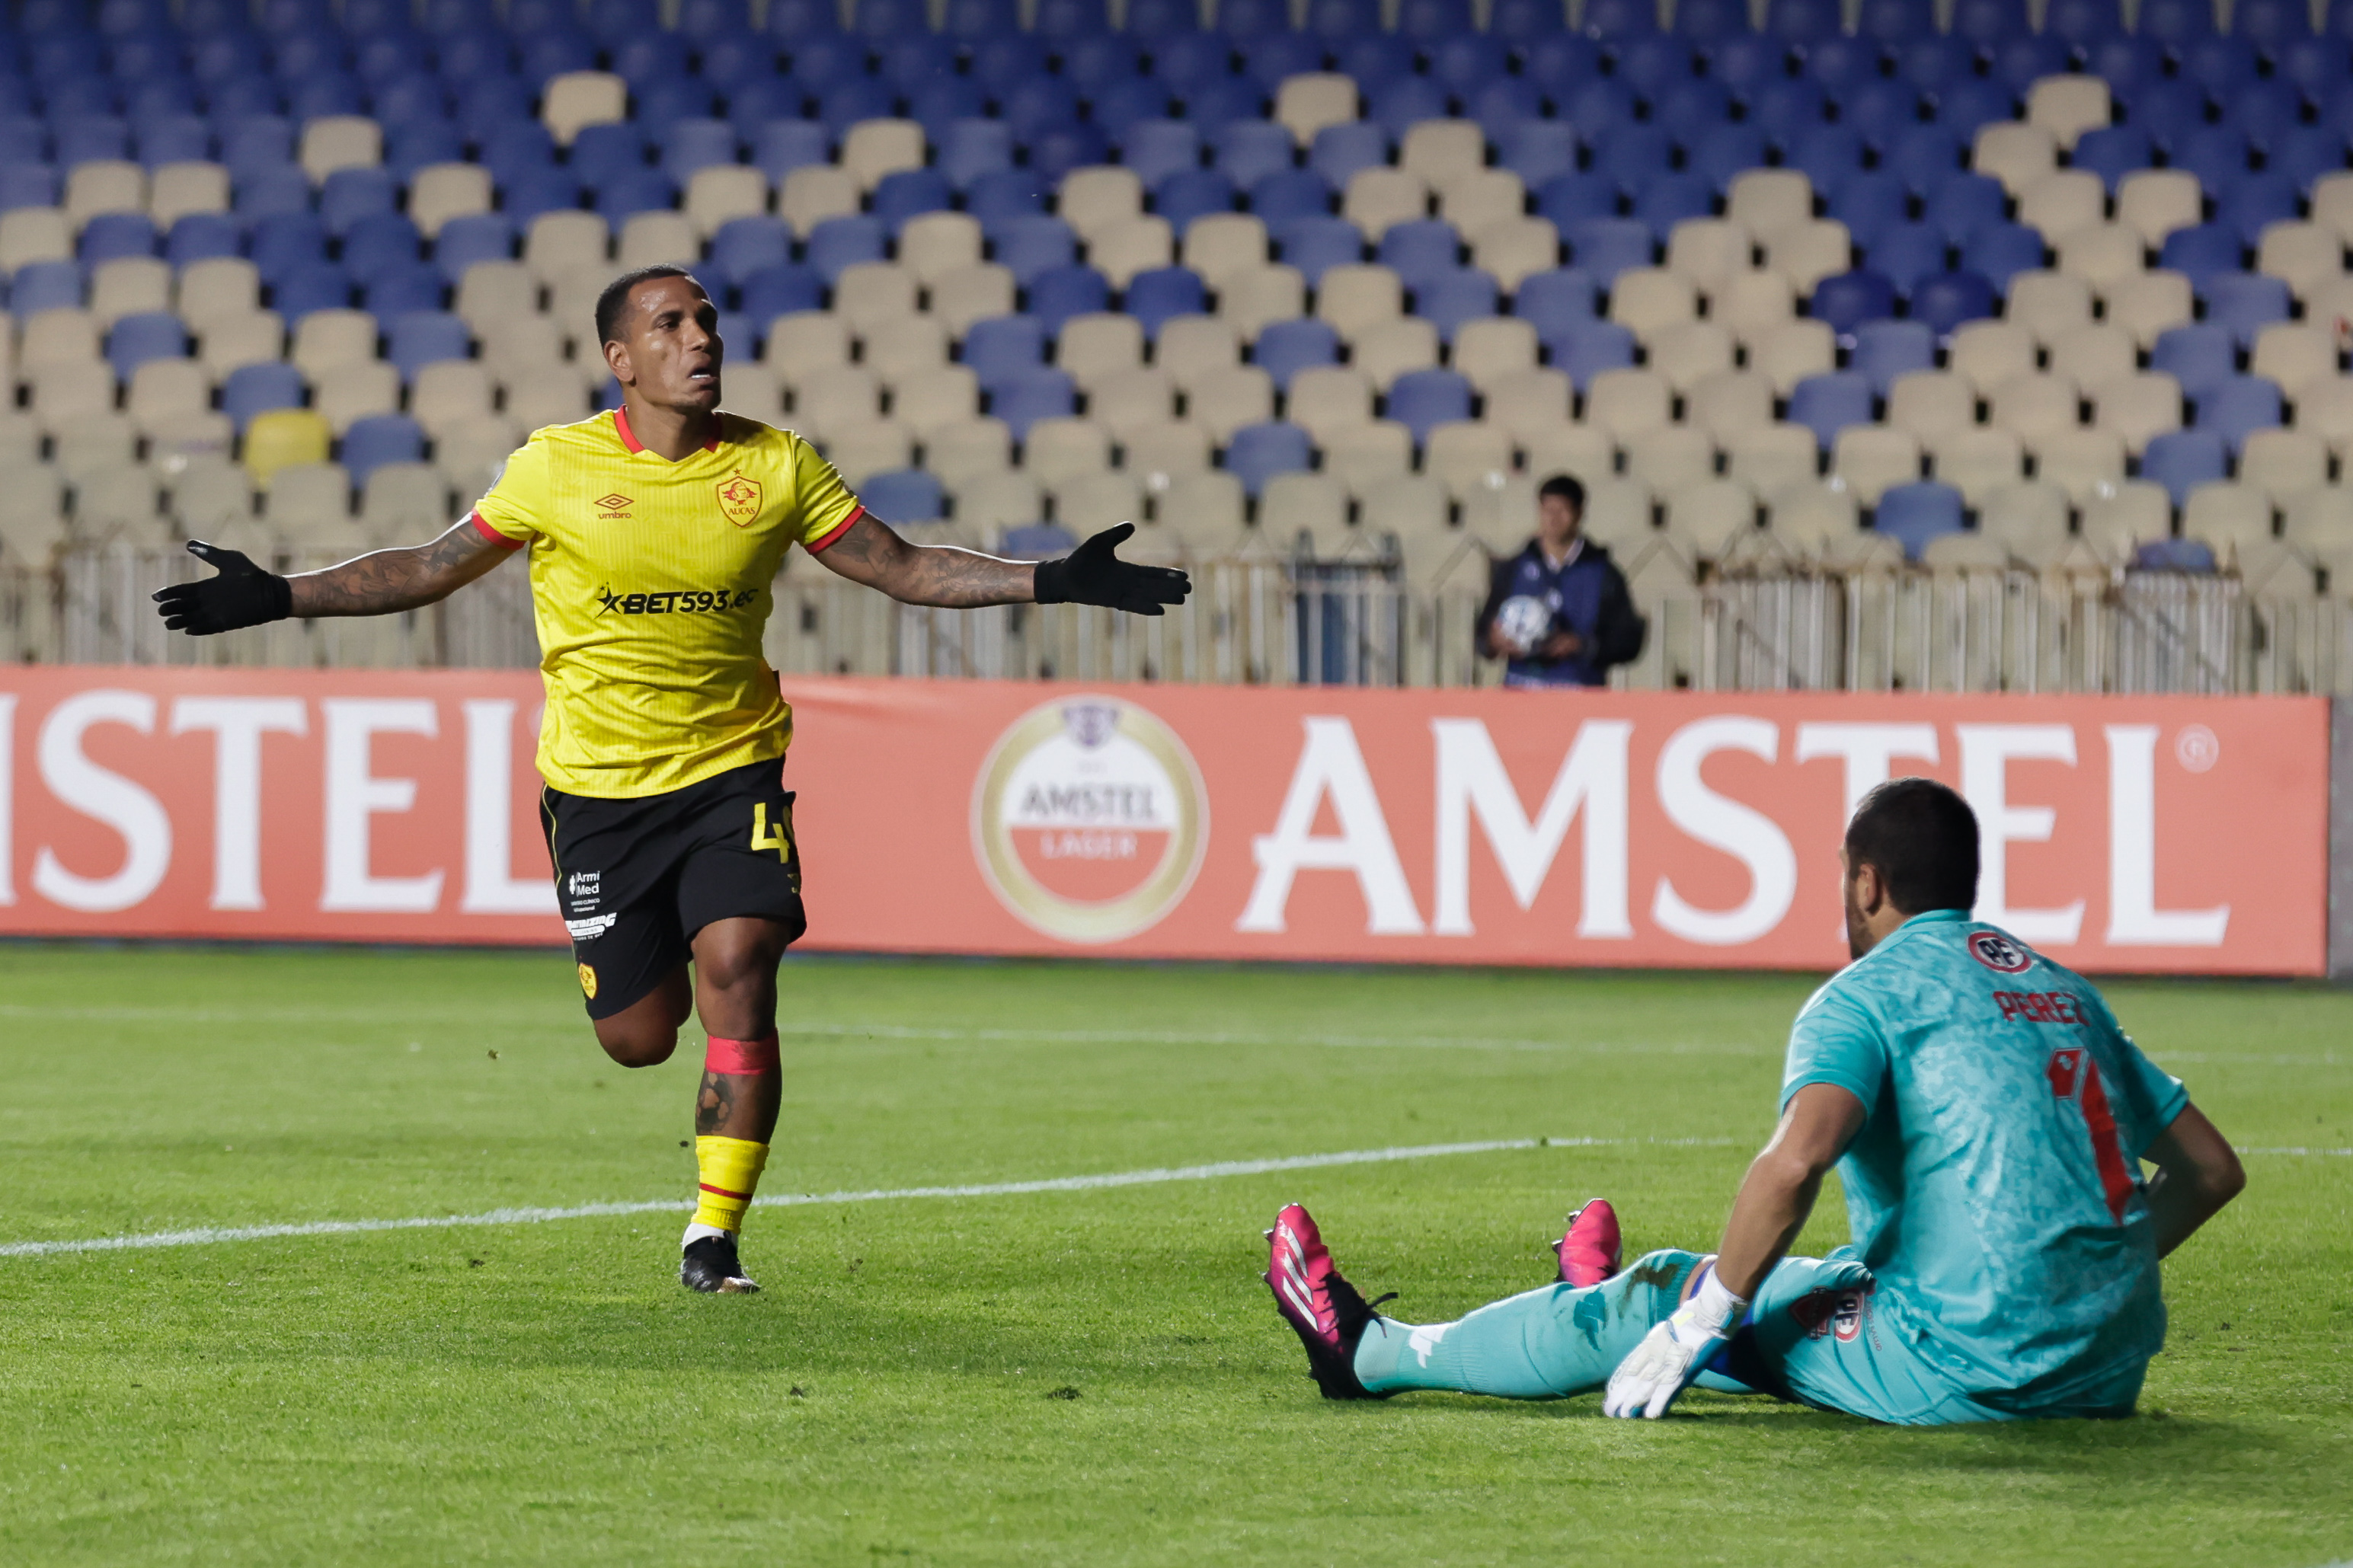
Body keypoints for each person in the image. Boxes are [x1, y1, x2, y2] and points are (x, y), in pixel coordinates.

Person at [154, 265, 1188, 1295]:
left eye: (706, 319)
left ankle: (714, 1232)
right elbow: (430, 566)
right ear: (621, 359)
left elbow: (900, 565)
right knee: (639, 1037)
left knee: (740, 961)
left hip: (730, 770)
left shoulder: (776, 465)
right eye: (670, 323)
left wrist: (1053, 579)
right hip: (597, 790)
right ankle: (672, 1078)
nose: (700, 338)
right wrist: (281, 595)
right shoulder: (553, 467)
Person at [1264, 777, 2246, 1424]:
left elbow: (1797, 1162)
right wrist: (2084, 1283)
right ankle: (1581, 1287)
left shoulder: (1862, 996)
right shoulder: (2062, 989)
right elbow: (2210, 1169)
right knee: (1836, 1276)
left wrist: (1701, 1317)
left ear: (1865, 882)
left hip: (1966, 1372)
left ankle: (1369, 1352)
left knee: (1663, 1295)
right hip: (2107, 1367)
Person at [1473, 473, 1645, 688]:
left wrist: (1583, 646)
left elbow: (1629, 641)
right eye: (1548, 510)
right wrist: (1492, 641)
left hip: (1580, 694)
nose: (1553, 519)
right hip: (1519, 692)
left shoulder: (1605, 574)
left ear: (1579, 513)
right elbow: (1483, 630)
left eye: (1562, 510)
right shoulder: (1513, 568)